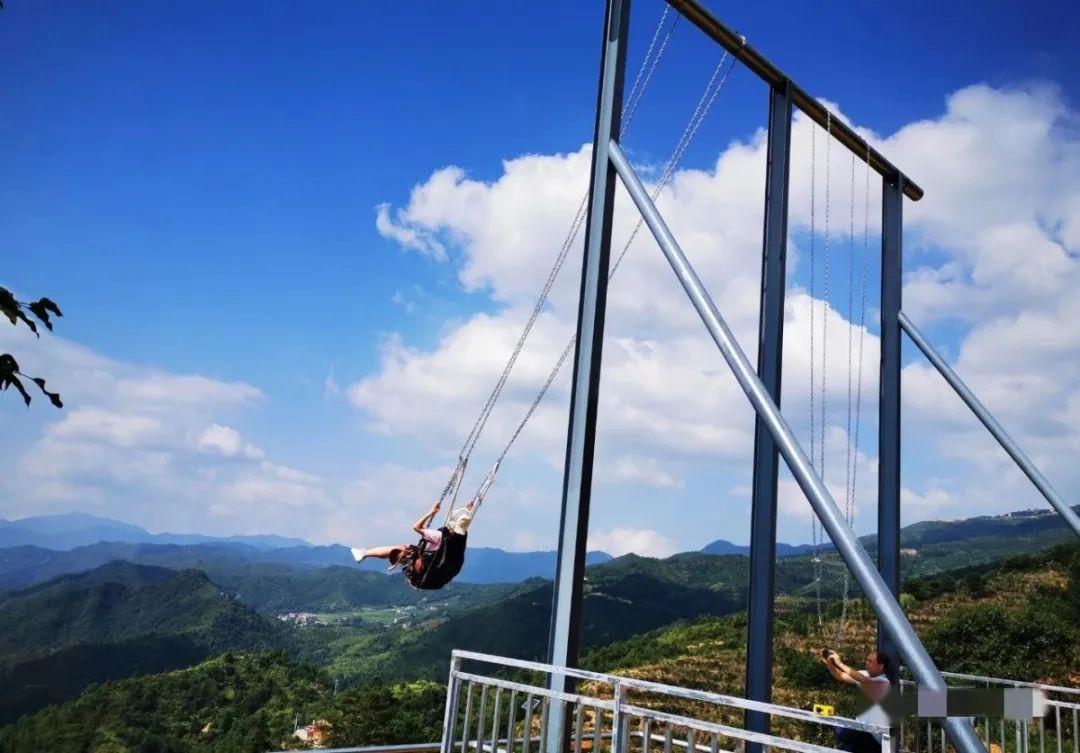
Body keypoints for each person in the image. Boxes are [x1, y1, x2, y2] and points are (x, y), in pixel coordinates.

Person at [350, 499, 475, 590]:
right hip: (439, 577)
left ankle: (364, 553)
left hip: (424, 576)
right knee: (408, 550)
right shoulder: (459, 540)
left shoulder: (439, 536)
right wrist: (466, 512)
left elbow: (416, 527)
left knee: (401, 548)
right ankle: (365, 554)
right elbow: (461, 526)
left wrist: (431, 513)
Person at [820, 648, 893, 753]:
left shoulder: (884, 683)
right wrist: (829, 664)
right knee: (844, 748)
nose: (867, 664)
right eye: (867, 660)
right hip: (862, 731)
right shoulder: (866, 676)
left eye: (871, 662)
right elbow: (841, 676)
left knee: (840, 730)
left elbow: (862, 679)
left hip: (873, 737)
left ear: (881, 666)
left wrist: (839, 663)